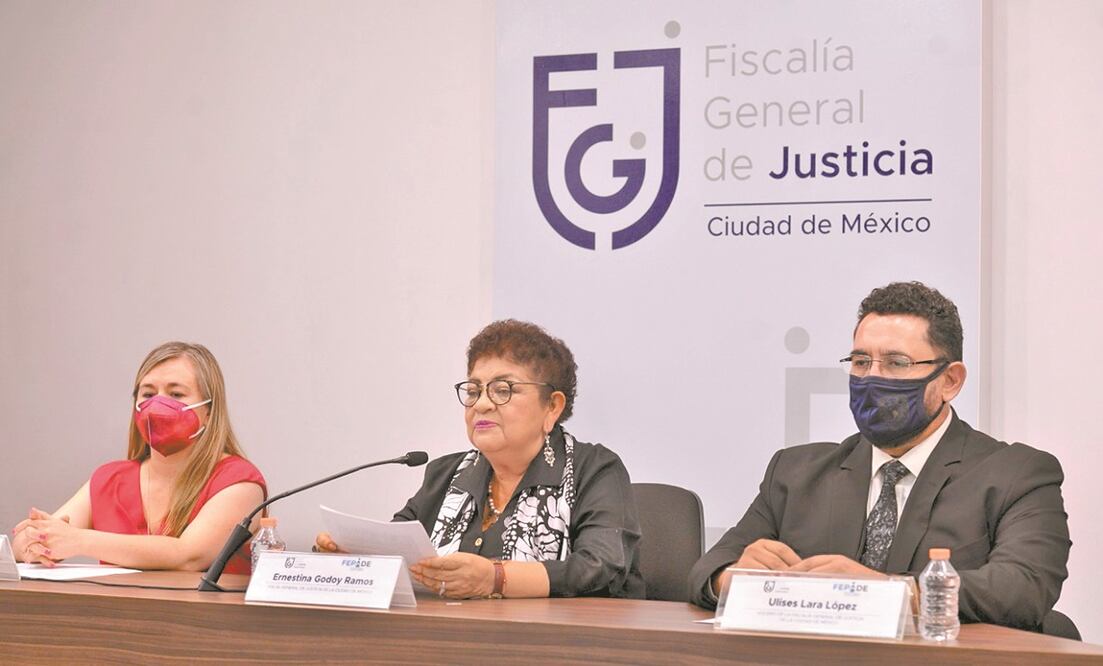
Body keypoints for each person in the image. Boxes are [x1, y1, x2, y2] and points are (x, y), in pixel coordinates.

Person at [688, 282, 1071, 632]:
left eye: (896, 363)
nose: (872, 378)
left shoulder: (1016, 475)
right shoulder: (796, 472)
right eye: (860, 362)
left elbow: (1024, 588)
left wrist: (885, 593)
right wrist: (731, 579)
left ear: (950, 380)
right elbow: (705, 572)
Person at [316, 320, 645, 599]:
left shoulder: (594, 469)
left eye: (502, 390)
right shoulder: (446, 475)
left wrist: (496, 578)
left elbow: (601, 567)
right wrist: (357, 555)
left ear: (552, 406)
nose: (481, 404)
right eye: (474, 391)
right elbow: (397, 547)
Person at [11, 342, 266, 574]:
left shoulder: (240, 482)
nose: (157, 405)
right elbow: (45, 537)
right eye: (148, 394)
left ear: (209, 411)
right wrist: (30, 543)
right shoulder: (110, 479)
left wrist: (78, 541)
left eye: (176, 394)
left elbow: (189, 556)